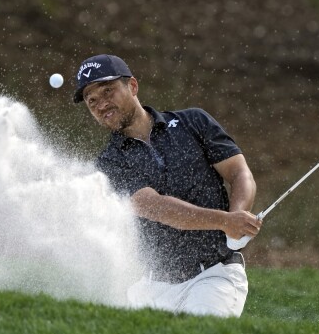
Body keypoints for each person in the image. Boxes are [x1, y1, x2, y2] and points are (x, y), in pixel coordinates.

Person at [73, 54, 261, 317]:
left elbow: (239, 173)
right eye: (92, 101)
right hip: (151, 287)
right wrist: (225, 220)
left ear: (133, 87)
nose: (102, 104)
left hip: (214, 274)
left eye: (108, 91)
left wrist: (236, 220)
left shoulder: (193, 122)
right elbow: (154, 206)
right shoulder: (108, 164)